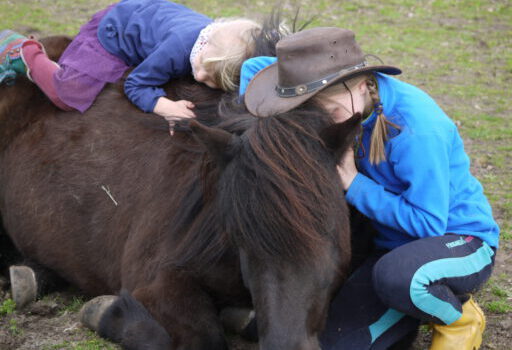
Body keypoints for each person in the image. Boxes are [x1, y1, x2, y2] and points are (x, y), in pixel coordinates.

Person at [239, 27, 499, 349]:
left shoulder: (416, 128)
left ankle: (457, 315)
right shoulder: (349, 104)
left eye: (332, 112)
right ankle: (411, 297)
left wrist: (353, 184)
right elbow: (253, 72)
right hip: (385, 246)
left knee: (398, 278)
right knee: (336, 343)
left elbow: (429, 224)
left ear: (362, 86)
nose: (328, 124)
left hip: (456, 240)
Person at [0, 0, 262, 128]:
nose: (200, 74)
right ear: (204, 43)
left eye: (210, 78)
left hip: (141, 16)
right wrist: (164, 106)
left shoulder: (215, 41)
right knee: (68, 93)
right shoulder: (177, 49)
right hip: (112, 32)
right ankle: (23, 51)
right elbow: (136, 84)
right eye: (203, 66)